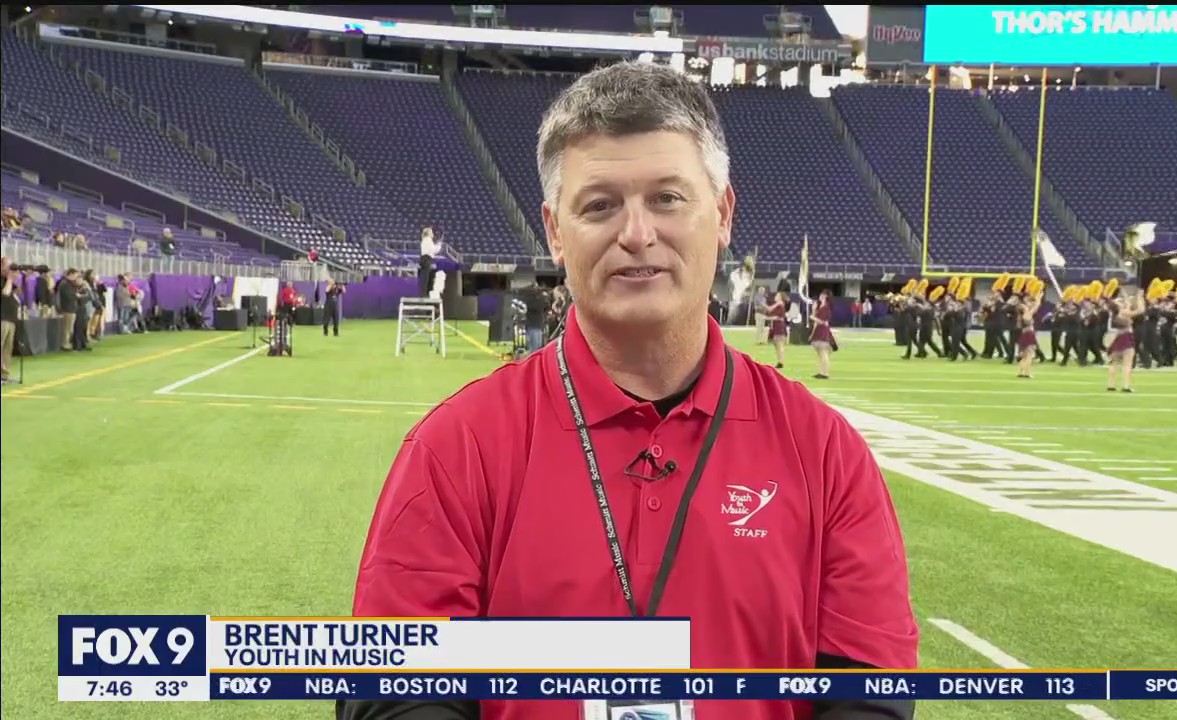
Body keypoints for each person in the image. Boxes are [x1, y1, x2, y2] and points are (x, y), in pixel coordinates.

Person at [341, 61, 917, 720]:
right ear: (556, 231)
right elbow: (394, 692)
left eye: (668, 198)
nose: (637, 234)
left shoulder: (826, 454)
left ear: (723, 214)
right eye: (600, 205)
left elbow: (869, 695)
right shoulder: (457, 447)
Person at [1105, 291, 1143, 393]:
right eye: (1119, 302)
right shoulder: (1123, 312)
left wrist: (1126, 297)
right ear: (1118, 306)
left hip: (1117, 338)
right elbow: (1140, 310)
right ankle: (1126, 386)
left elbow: (1127, 306)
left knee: (1113, 363)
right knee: (1127, 363)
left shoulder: (1116, 314)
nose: (1121, 302)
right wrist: (1140, 297)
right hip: (1126, 338)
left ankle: (1111, 385)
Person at [809, 288, 835, 379]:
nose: (820, 297)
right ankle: (821, 371)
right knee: (820, 353)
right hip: (819, 330)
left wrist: (813, 317)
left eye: (821, 295)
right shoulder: (821, 306)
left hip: (823, 330)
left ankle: (825, 373)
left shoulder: (826, 307)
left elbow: (823, 321)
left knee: (823, 352)